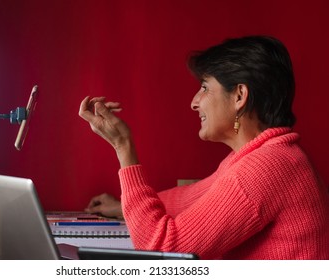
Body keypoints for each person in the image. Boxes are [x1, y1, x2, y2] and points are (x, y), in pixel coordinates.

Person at [78, 35, 329, 259]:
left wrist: (123, 146)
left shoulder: (268, 166)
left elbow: (163, 249)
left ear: (240, 96)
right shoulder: (266, 156)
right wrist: (122, 206)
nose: (194, 102)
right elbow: (188, 199)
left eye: (205, 88)